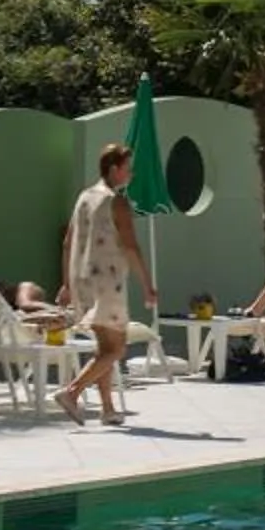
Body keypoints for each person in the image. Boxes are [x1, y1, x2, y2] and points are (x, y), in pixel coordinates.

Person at [57, 143, 157, 425]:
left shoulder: (84, 197)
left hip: (83, 281)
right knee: (117, 349)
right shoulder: (117, 202)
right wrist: (148, 285)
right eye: (128, 167)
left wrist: (66, 284)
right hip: (107, 283)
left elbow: (67, 243)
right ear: (114, 169)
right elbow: (131, 247)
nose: (132, 173)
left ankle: (108, 409)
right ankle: (72, 392)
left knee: (104, 348)